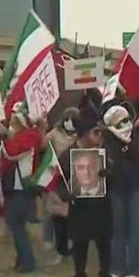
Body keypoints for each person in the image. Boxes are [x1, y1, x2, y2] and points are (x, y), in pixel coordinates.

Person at [57, 114, 112, 277]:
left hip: (101, 205)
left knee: (103, 244)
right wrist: (66, 195)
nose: (98, 136)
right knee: (79, 245)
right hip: (79, 207)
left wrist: (107, 173)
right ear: (84, 134)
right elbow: (59, 181)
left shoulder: (103, 152)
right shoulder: (68, 155)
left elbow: (116, 176)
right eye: (95, 132)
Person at [100, 104, 139, 277]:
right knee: (117, 230)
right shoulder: (108, 142)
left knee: (136, 230)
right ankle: (117, 268)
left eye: (126, 120)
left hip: (136, 189)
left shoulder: (136, 138)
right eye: (120, 122)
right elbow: (110, 163)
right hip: (116, 190)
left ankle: (136, 269)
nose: (125, 124)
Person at [0, 108, 44, 274]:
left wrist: (4, 137)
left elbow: (11, 153)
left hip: (20, 186)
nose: (12, 126)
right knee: (16, 224)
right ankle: (21, 260)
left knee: (16, 223)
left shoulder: (27, 139)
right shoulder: (24, 137)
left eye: (14, 123)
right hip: (15, 186)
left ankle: (27, 261)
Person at [44, 107, 80, 263]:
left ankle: (74, 245)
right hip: (58, 175)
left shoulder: (80, 135)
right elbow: (43, 145)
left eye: (73, 119)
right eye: (67, 119)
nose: (69, 122)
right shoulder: (54, 133)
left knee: (74, 215)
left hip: (76, 177)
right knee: (57, 214)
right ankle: (58, 247)